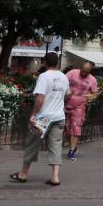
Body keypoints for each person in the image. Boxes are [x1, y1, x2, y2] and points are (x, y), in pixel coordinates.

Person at [10, 52, 69, 185]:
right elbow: (67, 95)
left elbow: (40, 97)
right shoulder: (64, 77)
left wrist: (33, 115)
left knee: (33, 144)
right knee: (56, 146)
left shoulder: (44, 76)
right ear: (57, 63)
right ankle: (55, 177)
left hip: (43, 117)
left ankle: (23, 174)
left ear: (45, 63)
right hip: (59, 116)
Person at [64, 60, 98, 160]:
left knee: (75, 128)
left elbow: (94, 94)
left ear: (90, 71)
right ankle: (73, 147)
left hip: (79, 107)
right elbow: (63, 82)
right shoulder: (72, 73)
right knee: (67, 129)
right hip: (66, 105)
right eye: (82, 70)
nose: (83, 73)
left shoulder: (92, 80)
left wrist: (91, 96)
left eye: (86, 72)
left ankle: (71, 152)